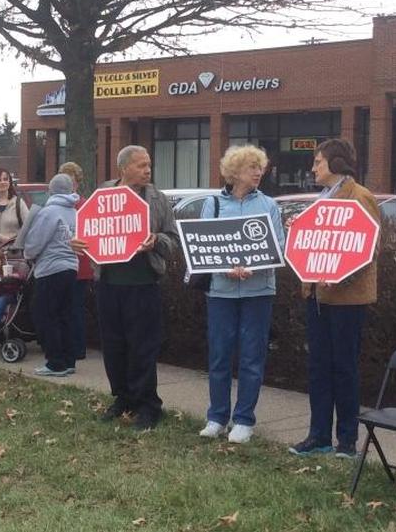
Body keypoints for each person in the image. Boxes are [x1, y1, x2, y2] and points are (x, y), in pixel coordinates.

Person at [72, 145, 180, 431]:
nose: (148, 170)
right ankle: (123, 398)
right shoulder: (103, 195)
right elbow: (86, 233)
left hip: (144, 284)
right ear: (124, 169)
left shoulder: (158, 200)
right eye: (141, 165)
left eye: (149, 164)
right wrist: (77, 242)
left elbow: (173, 242)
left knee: (143, 347)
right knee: (114, 346)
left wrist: (155, 240)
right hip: (109, 284)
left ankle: (148, 405)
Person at [287, 139, 379, 459]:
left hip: (347, 300)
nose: (313, 168)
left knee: (344, 368)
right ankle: (319, 435)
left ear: (337, 163)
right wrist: (296, 229)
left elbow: (369, 247)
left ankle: (347, 440)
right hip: (316, 296)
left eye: (318, 162)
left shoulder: (360, 197)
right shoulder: (321, 199)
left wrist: (340, 273)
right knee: (318, 367)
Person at [198, 145, 284, 444]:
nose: (258, 172)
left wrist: (254, 266)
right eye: (251, 167)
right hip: (221, 292)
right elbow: (205, 245)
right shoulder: (213, 204)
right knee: (219, 354)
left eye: (260, 167)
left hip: (258, 291)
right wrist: (225, 268)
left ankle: (244, 420)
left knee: (251, 356)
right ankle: (217, 417)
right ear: (234, 172)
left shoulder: (270, 205)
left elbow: (278, 248)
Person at [23, 173, 80, 377]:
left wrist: (26, 253)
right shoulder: (74, 212)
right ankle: (69, 360)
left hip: (50, 269)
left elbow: (34, 244)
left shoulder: (49, 212)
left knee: (45, 315)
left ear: (51, 190)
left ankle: (55, 362)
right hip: (71, 268)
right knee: (66, 315)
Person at [58, 161, 94, 360]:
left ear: (77, 183)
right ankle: (68, 345)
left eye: (70, 181)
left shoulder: (84, 205)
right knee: (66, 306)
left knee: (75, 307)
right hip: (64, 263)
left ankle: (77, 348)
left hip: (79, 264)